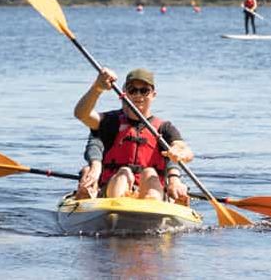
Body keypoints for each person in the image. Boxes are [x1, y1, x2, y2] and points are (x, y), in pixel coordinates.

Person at [73, 67, 192, 202]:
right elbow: (81, 114)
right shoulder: (110, 121)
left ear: (153, 95)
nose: (138, 95)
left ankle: (152, 204)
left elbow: (185, 150)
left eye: (144, 91)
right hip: (113, 188)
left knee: (150, 173)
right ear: (124, 93)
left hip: (152, 190)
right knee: (124, 172)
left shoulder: (165, 128)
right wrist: (97, 88)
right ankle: (118, 204)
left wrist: (180, 154)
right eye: (132, 90)